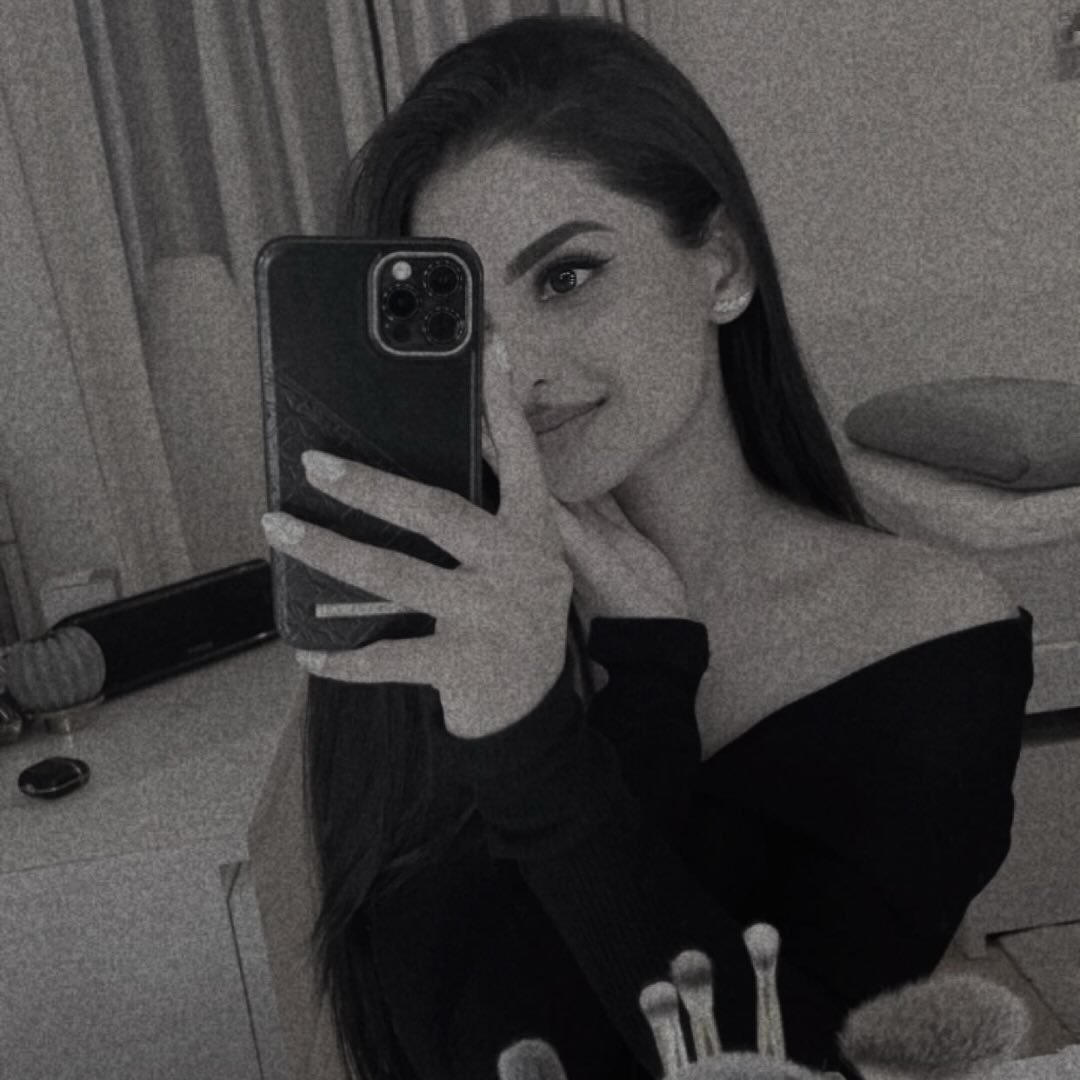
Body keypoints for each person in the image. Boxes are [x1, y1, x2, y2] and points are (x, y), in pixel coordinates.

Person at [259, 15, 1034, 1080]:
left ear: (721, 267)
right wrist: (644, 694)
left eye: (566, 277)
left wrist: (538, 735)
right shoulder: (423, 612)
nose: (513, 370)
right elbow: (459, 1045)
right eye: (464, 319)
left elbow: (797, 1068)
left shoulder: (929, 642)